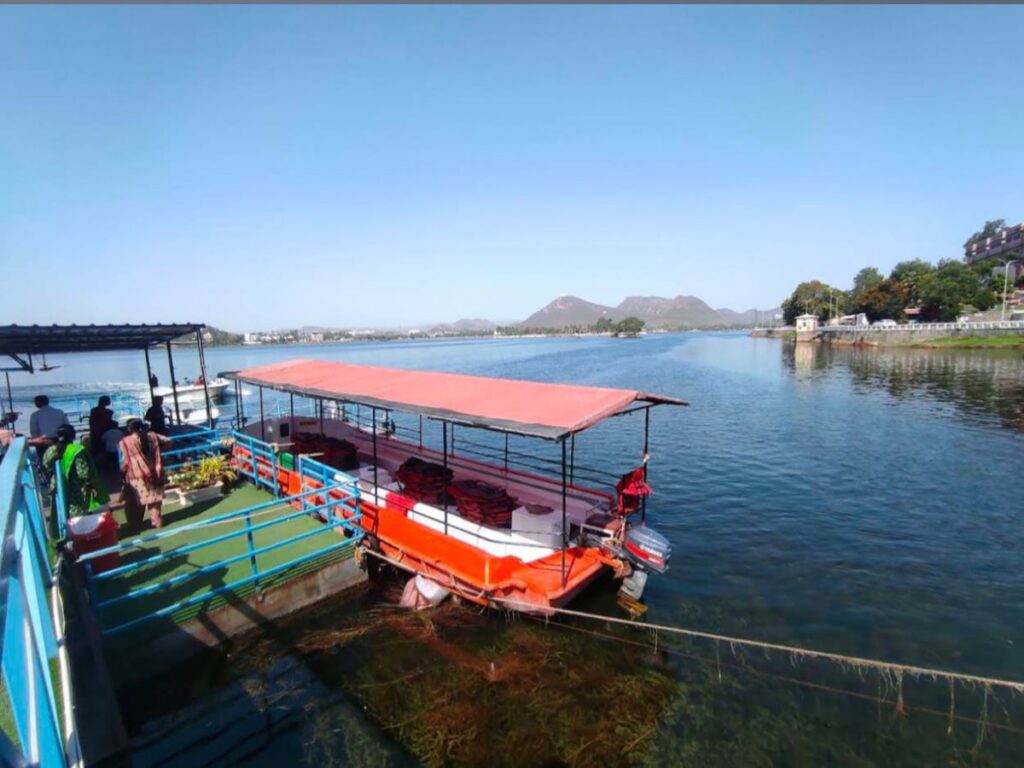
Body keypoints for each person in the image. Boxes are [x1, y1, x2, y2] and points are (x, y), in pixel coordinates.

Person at [42, 424, 108, 538]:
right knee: (76, 514)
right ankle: (78, 537)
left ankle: (60, 537)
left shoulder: (50, 450)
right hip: (76, 489)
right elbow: (83, 473)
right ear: (73, 436)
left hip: (57, 486)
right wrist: (92, 486)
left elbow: (45, 466)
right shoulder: (77, 450)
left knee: (58, 512)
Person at [119, 419, 167, 531]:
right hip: (154, 473)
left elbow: (126, 463)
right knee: (154, 501)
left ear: (129, 429)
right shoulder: (153, 436)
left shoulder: (126, 441)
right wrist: (158, 451)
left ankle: (135, 524)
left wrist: (122, 474)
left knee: (135, 502)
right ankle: (158, 523)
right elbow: (168, 441)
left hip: (136, 476)